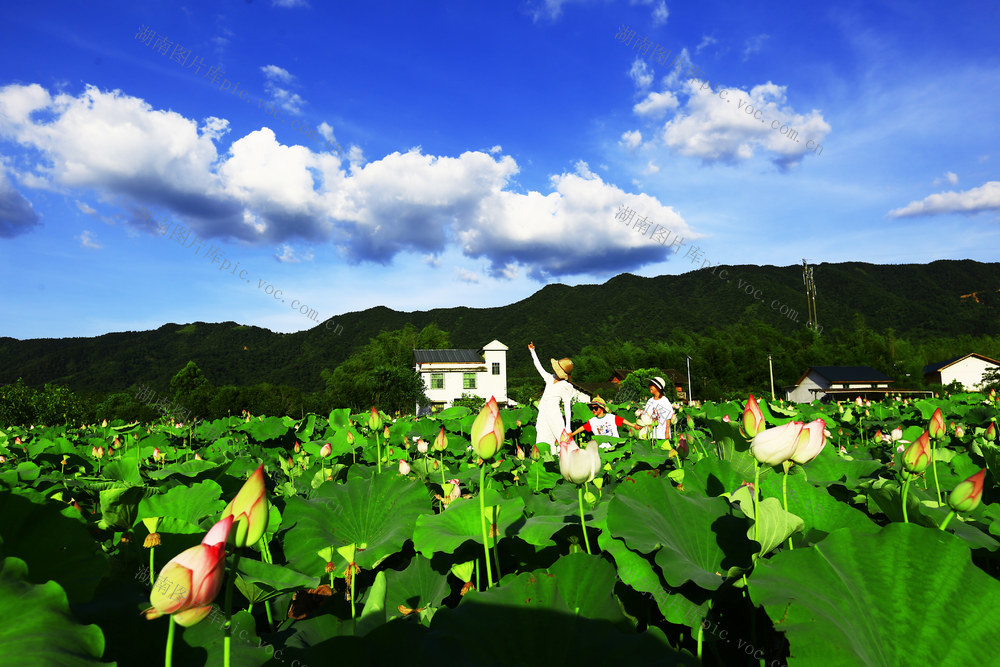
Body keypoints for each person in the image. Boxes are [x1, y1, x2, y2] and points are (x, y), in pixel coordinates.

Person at [528, 342, 590, 454]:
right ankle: (547, 461)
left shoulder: (566, 386)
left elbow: (567, 406)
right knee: (542, 438)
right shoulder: (549, 378)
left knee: (563, 440)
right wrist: (533, 351)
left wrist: (568, 427)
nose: (553, 370)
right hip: (542, 412)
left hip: (554, 413)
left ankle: (572, 461)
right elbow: (539, 367)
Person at [568, 396, 638, 448]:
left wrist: (633, 426)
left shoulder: (611, 417)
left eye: (595, 408)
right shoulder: (592, 421)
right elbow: (583, 427)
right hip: (601, 448)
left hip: (616, 445)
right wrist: (572, 434)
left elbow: (622, 420)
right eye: (591, 408)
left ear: (602, 408)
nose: (593, 410)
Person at [641, 376, 675, 443]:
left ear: (658, 387)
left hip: (662, 434)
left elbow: (668, 417)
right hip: (651, 434)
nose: (649, 386)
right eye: (649, 384)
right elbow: (647, 416)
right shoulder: (650, 401)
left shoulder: (664, 400)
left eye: (651, 385)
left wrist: (667, 432)